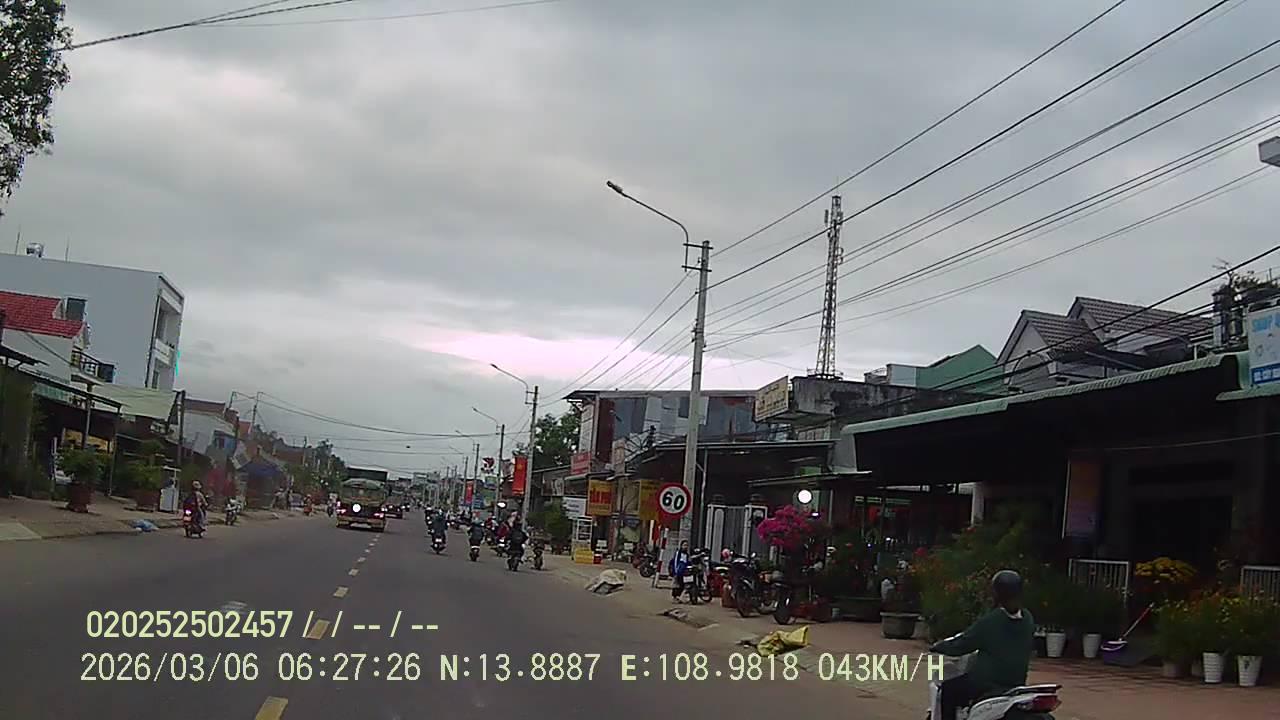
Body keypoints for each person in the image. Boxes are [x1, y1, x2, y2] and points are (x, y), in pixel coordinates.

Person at [930, 570, 1036, 720]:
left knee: (948, 690)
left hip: (986, 683)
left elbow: (962, 644)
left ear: (996, 593)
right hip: (1015, 683)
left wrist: (939, 646)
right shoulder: (1028, 619)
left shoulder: (992, 620)